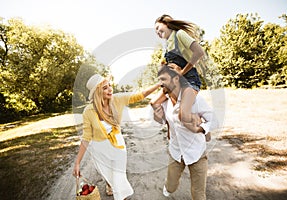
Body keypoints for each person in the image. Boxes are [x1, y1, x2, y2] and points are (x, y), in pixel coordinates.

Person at [73, 73, 160, 200]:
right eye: (105, 88)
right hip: (100, 150)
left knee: (119, 180)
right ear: (97, 92)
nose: (110, 89)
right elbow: (86, 137)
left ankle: (119, 195)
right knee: (111, 178)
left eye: (109, 86)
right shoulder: (89, 111)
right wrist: (77, 163)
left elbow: (139, 95)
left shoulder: (117, 99)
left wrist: (158, 84)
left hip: (117, 145)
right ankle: (110, 184)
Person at [152, 65, 213, 200]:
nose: (160, 83)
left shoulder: (195, 99)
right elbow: (161, 121)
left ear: (175, 79)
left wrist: (201, 129)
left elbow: (213, 120)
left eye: (163, 79)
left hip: (197, 152)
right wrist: (157, 117)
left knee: (198, 194)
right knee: (171, 186)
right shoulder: (165, 102)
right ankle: (168, 188)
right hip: (176, 152)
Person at [151, 14, 207, 132]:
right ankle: (170, 127)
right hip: (174, 83)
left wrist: (181, 72)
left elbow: (199, 52)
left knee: (183, 115)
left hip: (190, 81)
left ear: (166, 23)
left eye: (158, 27)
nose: (157, 32)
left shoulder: (179, 34)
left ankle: (203, 128)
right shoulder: (166, 45)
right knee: (154, 103)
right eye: (155, 30)